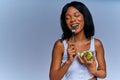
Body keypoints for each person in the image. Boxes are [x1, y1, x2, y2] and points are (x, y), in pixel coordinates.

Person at [49, 1, 106, 80]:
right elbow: (53, 78)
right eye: (67, 18)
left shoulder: (96, 44)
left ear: (85, 17)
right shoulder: (60, 45)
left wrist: (93, 71)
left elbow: (103, 74)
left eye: (76, 15)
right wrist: (68, 61)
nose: (72, 20)